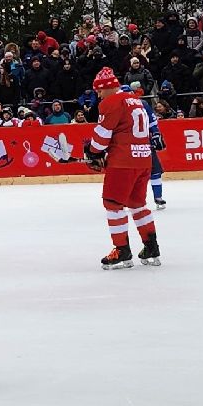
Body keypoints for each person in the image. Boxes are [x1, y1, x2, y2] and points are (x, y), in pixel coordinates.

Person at [83, 66, 159, 268]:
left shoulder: (112, 102)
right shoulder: (136, 100)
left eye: (99, 90)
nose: (98, 95)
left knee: (112, 203)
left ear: (109, 88)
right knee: (137, 204)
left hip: (123, 162)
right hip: (143, 160)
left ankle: (122, 250)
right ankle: (151, 246)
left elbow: (103, 135)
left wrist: (92, 151)